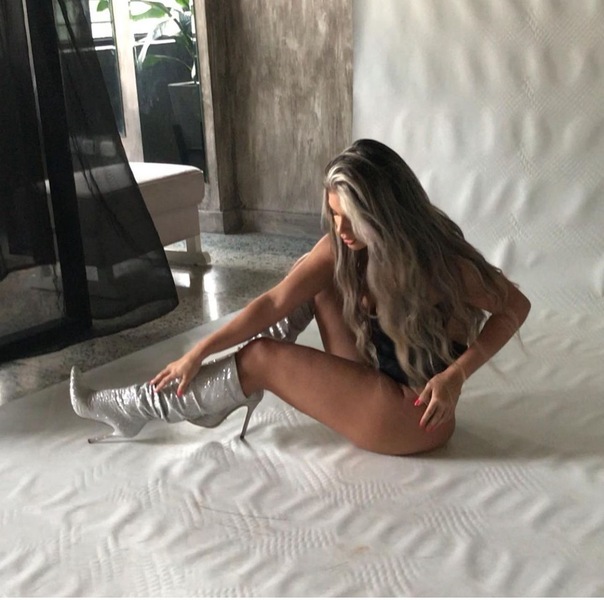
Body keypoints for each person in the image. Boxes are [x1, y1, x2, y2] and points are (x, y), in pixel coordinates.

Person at [70, 139, 531, 455]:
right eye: (334, 214)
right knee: (315, 277)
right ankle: (223, 390)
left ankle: (141, 407)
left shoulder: (438, 264)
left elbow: (516, 305)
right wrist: (198, 352)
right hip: (374, 377)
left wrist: (455, 376)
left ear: (383, 213)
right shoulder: (347, 247)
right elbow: (274, 303)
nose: (341, 229)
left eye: (352, 218)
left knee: (261, 356)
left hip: (412, 417)